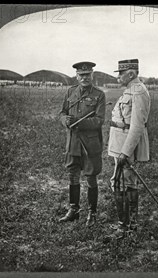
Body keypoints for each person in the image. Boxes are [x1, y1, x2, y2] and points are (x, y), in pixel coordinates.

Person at [58, 61, 106, 227]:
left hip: (89, 144)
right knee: (72, 175)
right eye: (81, 75)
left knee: (91, 178)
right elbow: (62, 112)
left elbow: (99, 121)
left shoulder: (99, 95)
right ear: (77, 76)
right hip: (73, 142)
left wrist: (79, 122)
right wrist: (65, 120)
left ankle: (92, 213)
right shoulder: (70, 91)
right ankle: (74, 210)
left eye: (88, 75)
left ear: (92, 75)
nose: (85, 78)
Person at [107, 59, 151, 238]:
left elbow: (137, 126)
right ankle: (130, 225)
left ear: (131, 74)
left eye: (121, 73)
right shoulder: (132, 90)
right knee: (128, 183)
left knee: (120, 183)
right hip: (120, 141)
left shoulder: (138, 91)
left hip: (125, 145)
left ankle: (123, 227)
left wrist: (125, 152)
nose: (118, 76)